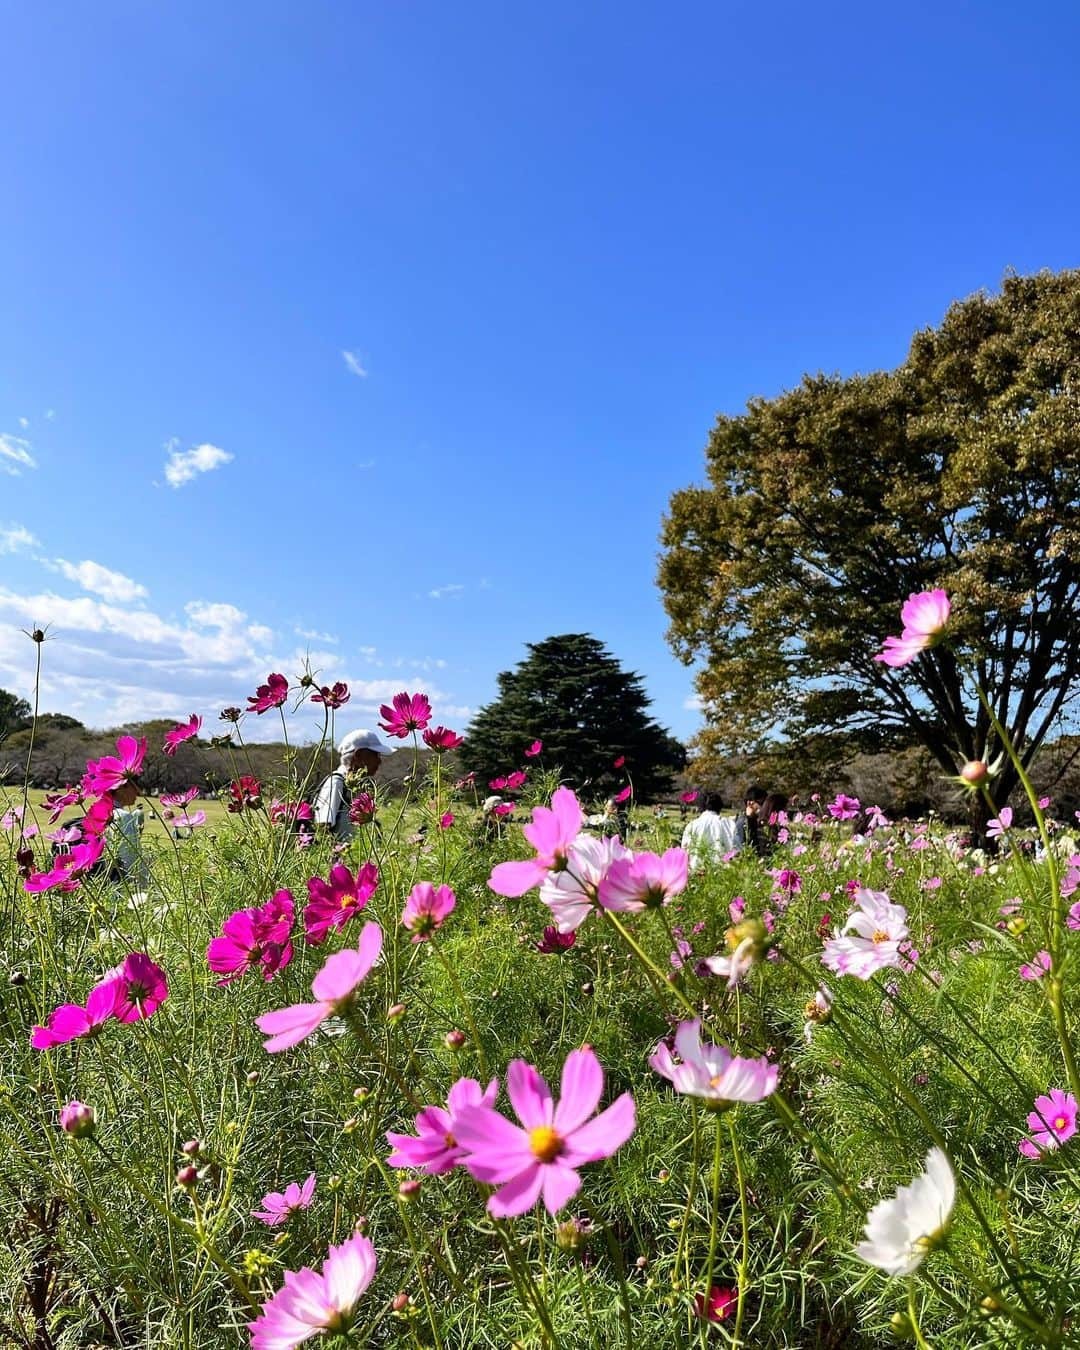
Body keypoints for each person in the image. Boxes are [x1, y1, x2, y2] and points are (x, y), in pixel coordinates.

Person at [312, 728, 396, 840]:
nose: (379, 761)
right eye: (375, 755)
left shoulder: (360, 785)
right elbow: (322, 826)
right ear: (359, 755)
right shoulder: (336, 782)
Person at [680, 790, 734, 869]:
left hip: (696, 871)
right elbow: (735, 850)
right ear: (719, 807)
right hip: (722, 873)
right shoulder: (728, 824)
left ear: (700, 807)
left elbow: (684, 853)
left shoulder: (692, 825)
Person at [733, 785, 769, 856]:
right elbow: (746, 848)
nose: (764, 807)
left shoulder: (758, 822)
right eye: (761, 803)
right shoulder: (742, 823)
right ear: (749, 803)